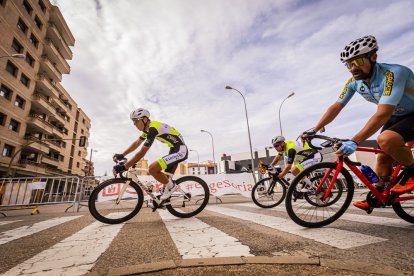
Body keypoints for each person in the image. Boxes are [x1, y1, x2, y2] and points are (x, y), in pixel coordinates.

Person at [304, 35, 414, 210]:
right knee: (383, 155)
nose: (353, 68)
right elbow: (336, 107)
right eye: (349, 64)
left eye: (358, 61)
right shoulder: (355, 83)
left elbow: (383, 113)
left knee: (386, 139)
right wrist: (314, 128)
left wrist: (355, 141)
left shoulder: (393, 73)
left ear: (373, 57)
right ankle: (379, 194)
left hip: (408, 114)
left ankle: (412, 173)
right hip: (397, 115)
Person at [112, 108, 188, 201]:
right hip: (174, 149)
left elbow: (141, 153)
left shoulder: (153, 129)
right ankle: (165, 198)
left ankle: (172, 188)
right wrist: (122, 155)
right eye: (133, 122)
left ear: (144, 119)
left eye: (136, 121)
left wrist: (124, 167)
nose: (134, 125)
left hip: (180, 151)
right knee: (166, 179)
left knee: (152, 169)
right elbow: (136, 143)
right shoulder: (147, 130)